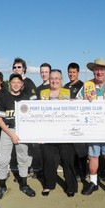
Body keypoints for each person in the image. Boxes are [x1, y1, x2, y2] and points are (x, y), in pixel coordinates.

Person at [76, 58, 105, 200]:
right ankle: (93, 183)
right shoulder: (86, 85)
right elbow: (77, 104)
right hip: (93, 128)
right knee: (93, 156)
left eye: (102, 69)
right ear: (93, 71)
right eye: (96, 69)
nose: (99, 72)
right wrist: (84, 101)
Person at [0, 74, 36, 200]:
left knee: (23, 159)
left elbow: (33, 118)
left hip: (22, 131)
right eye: (13, 82)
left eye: (18, 82)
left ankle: (24, 185)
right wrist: (11, 134)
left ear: (22, 84)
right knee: (3, 160)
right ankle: (2, 187)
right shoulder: (3, 97)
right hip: (7, 131)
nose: (16, 84)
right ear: (9, 83)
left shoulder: (27, 98)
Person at [40, 69, 78, 197]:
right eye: (52, 78)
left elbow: (78, 108)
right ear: (49, 80)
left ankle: (71, 186)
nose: (54, 80)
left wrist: (75, 103)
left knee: (68, 160)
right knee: (49, 160)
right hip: (47, 132)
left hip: (65, 132)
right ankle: (48, 185)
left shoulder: (68, 92)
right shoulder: (43, 93)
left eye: (57, 78)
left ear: (61, 80)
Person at [63, 62, 87, 181]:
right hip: (68, 122)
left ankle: (84, 172)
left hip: (79, 122)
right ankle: (75, 172)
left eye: (74, 72)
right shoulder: (65, 86)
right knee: (71, 150)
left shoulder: (83, 85)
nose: (71, 74)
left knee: (81, 150)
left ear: (78, 72)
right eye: (70, 72)